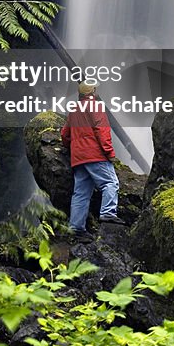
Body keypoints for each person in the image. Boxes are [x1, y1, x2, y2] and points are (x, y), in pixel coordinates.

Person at [61, 83, 125, 238]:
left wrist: (73, 148)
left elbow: (65, 134)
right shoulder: (95, 106)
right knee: (110, 183)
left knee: (81, 193)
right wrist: (109, 152)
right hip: (95, 154)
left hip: (78, 158)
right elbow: (102, 131)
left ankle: (76, 229)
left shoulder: (74, 109)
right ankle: (108, 213)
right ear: (93, 91)